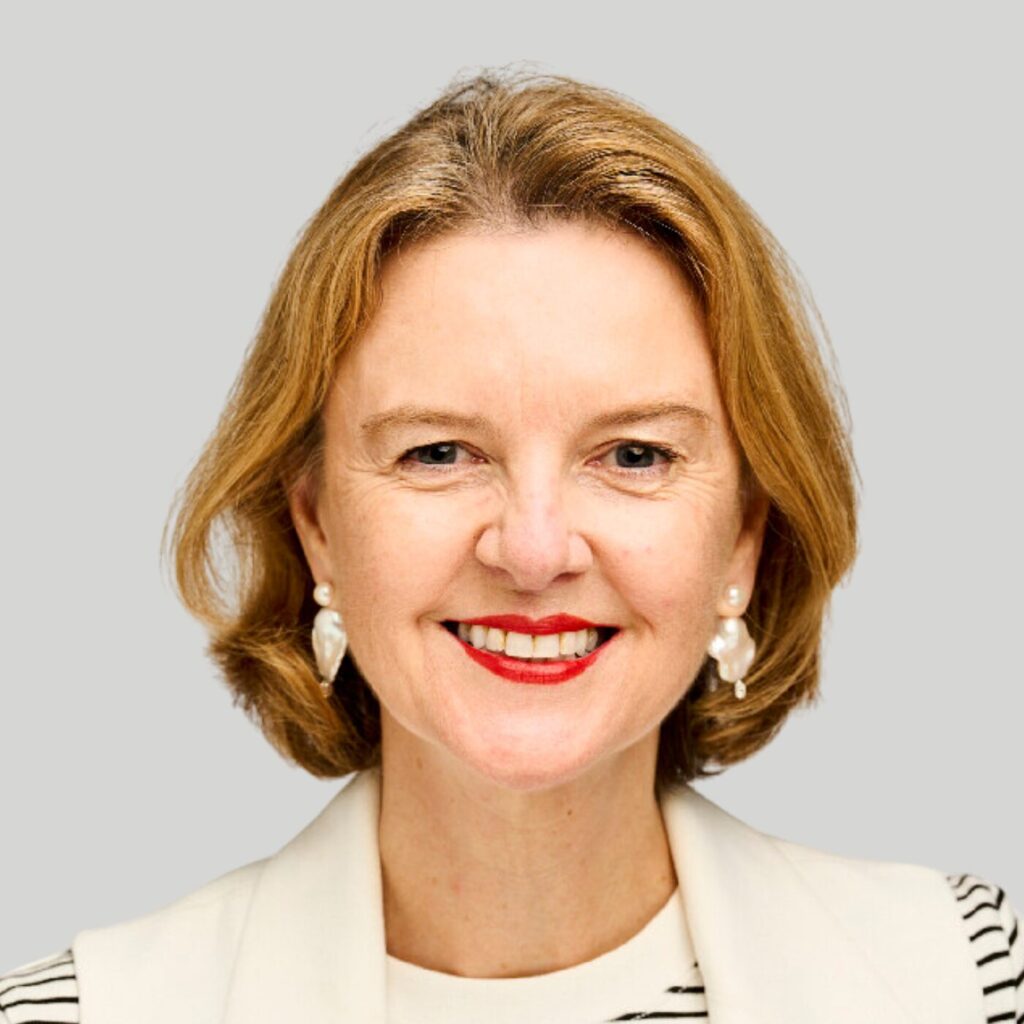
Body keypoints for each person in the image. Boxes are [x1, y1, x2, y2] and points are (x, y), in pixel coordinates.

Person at [1, 69, 1019, 1024]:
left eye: (633, 454)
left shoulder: (964, 977)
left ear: (742, 541)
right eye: (439, 451)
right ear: (316, 528)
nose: (533, 551)